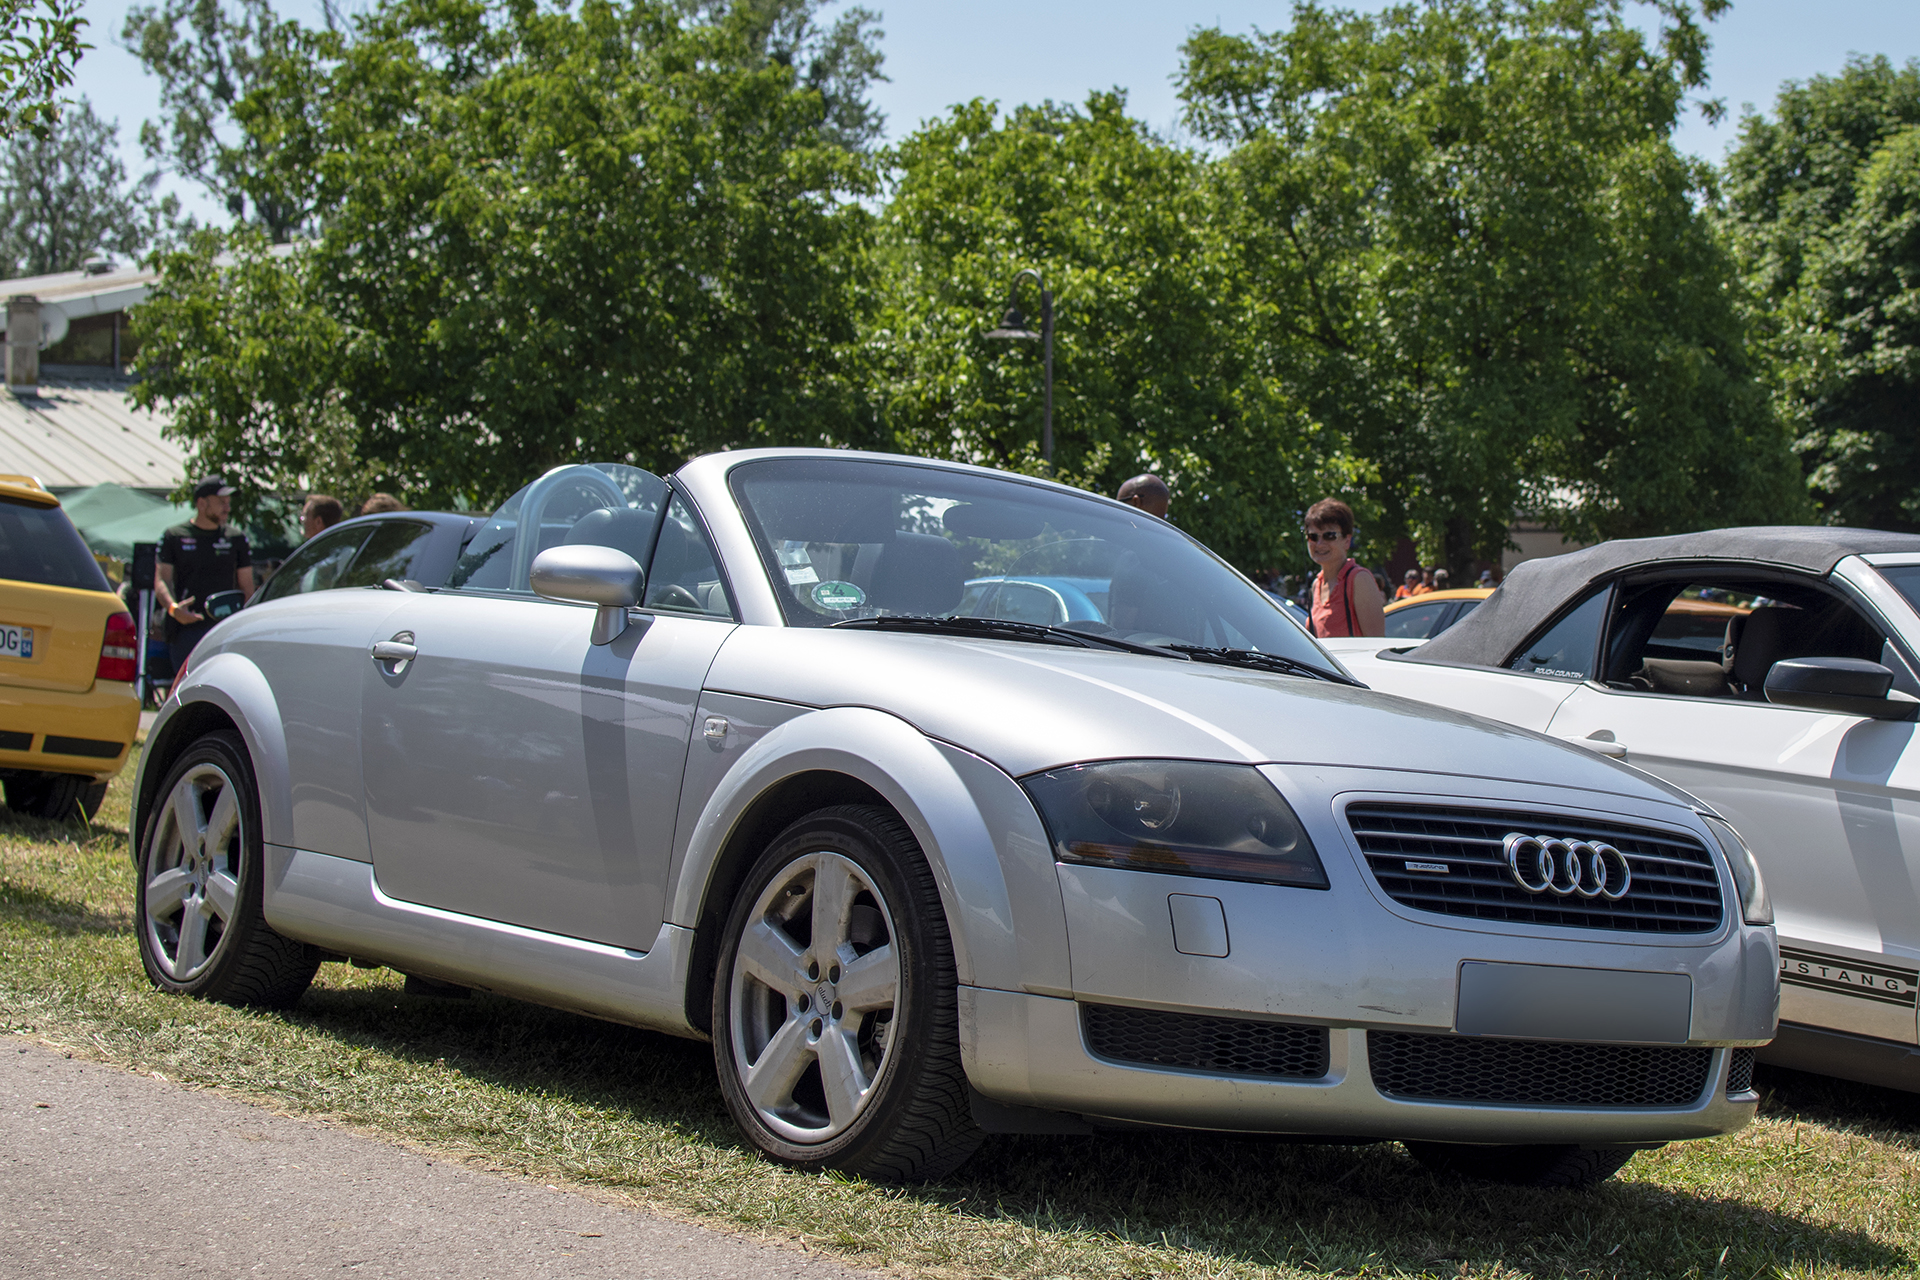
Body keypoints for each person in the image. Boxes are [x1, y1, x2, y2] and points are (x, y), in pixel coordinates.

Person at [155, 475, 253, 672]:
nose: (227, 507)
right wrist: (174, 610)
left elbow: (247, 586)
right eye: (221, 502)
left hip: (225, 629)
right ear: (201, 503)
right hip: (186, 630)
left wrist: (246, 623)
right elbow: (161, 580)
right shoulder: (174, 536)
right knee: (185, 691)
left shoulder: (236, 538)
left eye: (228, 502)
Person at [1303, 498, 1384, 638]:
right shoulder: (1316, 585)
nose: (1320, 544)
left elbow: (1376, 645)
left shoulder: (1359, 580)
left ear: (1347, 540)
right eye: (1313, 537)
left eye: (1329, 535)